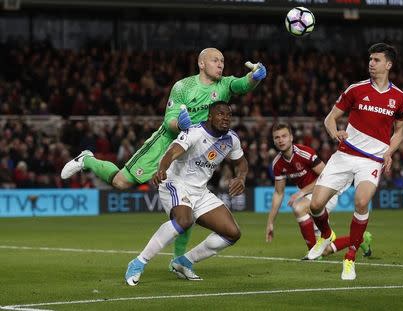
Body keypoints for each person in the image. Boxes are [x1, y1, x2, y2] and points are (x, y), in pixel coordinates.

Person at [61, 48, 266, 260]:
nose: (221, 64)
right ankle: (87, 159)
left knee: (188, 207)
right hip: (168, 143)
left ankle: (179, 262)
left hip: (196, 149)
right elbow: (170, 121)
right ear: (201, 64)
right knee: (121, 182)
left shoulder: (224, 84)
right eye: (215, 60)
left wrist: (255, 77)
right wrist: (180, 123)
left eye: (223, 60)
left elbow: (243, 84)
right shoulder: (183, 86)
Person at [306, 43, 403, 280]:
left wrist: (389, 152)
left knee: (361, 202)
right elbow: (330, 119)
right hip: (345, 154)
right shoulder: (356, 89)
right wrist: (335, 133)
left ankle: (350, 258)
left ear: (389, 64)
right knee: (315, 205)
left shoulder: (399, 97)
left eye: (377, 60)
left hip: (371, 160)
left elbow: (400, 131)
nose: (371, 63)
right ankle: (327, 234)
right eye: (370, 59)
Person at [124, 101, 248, 285]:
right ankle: (138, 263)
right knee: (184, 221)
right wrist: (162, 169)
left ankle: (184, 262)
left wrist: (241, 178)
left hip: (200, 191)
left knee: (232, 233)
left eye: (229, 115)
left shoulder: (231, 139)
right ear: (210, 116)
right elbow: (171, 153)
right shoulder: (195, 133)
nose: (226, 119)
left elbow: (241, 163)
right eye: (221, 114)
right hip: (175, 183)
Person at [265, 123, 372, 258]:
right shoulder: (277, 164)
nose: (280, 140)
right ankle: (360, 239)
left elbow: (326, 176)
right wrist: (270, 222)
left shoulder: (305, 153)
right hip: (309, 198)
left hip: (325, 193)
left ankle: (312, 253)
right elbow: (278, 193)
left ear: (291, 137)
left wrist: (302, 192)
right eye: (277, 137)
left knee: (298, 207)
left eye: (284, 136)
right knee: (325, 250)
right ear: (274, 141)